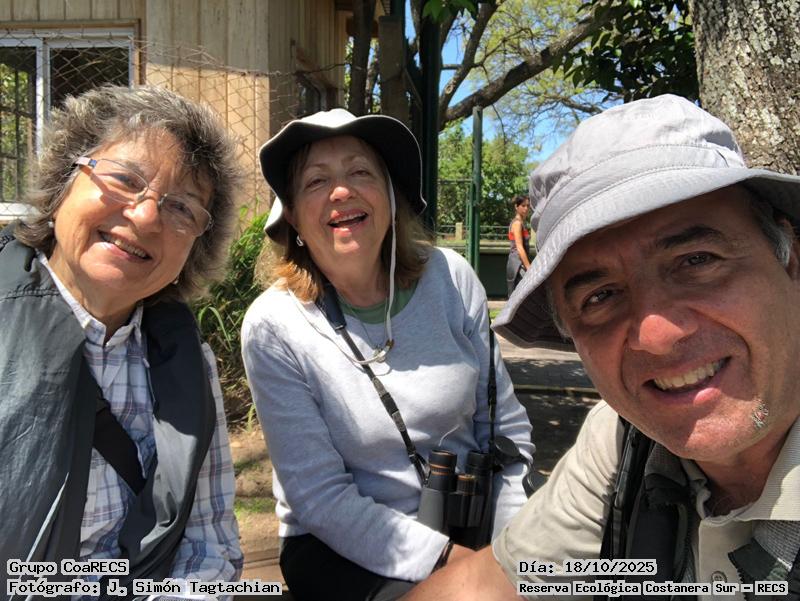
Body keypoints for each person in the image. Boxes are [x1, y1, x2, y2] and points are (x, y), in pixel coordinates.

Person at [403, 94, 800, 601]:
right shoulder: (625, 442)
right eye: (601, 296)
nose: (657, 337)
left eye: (697, 260)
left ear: (790, 259)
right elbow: (498, 584)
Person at [241, 108, 534, 601]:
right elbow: (319, 497)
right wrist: (465, 570)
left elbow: (505, 432)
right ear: (292, 216)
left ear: (391, 198)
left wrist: (512, 552)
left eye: (361, 172)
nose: (341, 191)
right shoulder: (274, 325)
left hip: (474, 518)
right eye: (316, 181)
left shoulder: (452, 279)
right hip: (341, 543)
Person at [0, 86, 244, 592]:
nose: (146, 216)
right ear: (63, 182)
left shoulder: (187, 364)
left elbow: (209, 544)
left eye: (182, 208)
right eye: (125, 180)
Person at [506, 194, 532, 296]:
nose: (526, 208)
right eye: (523, 205)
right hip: (517, 265)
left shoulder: (521, 223)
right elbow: (519, 247)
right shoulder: (517, 224)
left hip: (519, 263)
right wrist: (528, 267)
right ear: (516, 207)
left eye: (528, 206)